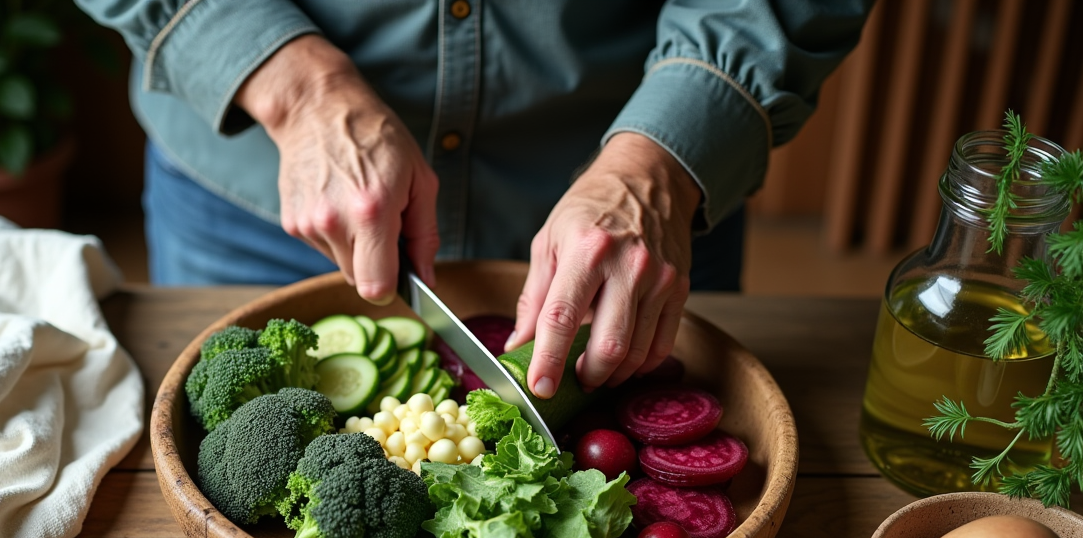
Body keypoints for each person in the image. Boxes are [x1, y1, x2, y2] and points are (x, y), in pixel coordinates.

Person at [77, 1, 872, 399]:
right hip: (256, 183)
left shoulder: (652, 193)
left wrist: (662, 162)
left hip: (644, 215)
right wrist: (294, 86)